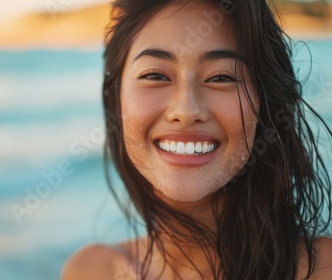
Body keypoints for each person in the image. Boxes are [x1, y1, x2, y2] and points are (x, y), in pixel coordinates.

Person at [62, 0, 332, 279]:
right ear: (116, 100)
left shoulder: (320, 268)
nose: (186, 111)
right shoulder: (91, 270)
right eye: (155, 75)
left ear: (265, 104)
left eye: (221, 78)